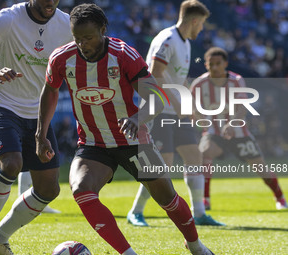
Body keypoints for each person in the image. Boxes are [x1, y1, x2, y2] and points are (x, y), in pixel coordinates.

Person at [36, 3, 214, 255]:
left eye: (88, 37)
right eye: (77, 38)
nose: (83, 44)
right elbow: (50, 90)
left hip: (132, 139)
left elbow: (156, 98)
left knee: (167, 198)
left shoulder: (124, 55)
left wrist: (137, 118)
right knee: (81, 189)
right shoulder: (62, 58)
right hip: (93, 144)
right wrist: (40, 134)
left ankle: (195, 244)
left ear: (103, 29)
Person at [0, 1, 72, 254]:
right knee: (11, 164)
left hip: (38, 113)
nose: (51, 2)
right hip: (1, 104)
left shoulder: (66, 24)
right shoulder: (8, 18)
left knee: (49, 189)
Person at [126, 0, 224, 227]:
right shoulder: (167, 40)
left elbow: (177, 79)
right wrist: (176, 103)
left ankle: (199, 213)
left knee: (193, 157)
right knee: (163, 164)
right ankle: (136, 212)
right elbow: (155, 74)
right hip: (158, 110)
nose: (201, 30)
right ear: (194, 21)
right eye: (202, 25)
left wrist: (189, 107)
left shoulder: (185, 43)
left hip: (176, 111)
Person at [189, 46, 287, 211]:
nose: (214, 67)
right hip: (214, 132)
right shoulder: (199, 84)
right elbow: (191, 107)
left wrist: (232, 124)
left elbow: (242, 107)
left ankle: (280, 198)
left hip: (239, 132)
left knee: (260, 167)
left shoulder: (236, 80)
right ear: (205, 64)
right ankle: (205, 199)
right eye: (210, 64)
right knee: (204, 152)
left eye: (218, 63)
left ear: (225, 63)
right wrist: (200, 120)